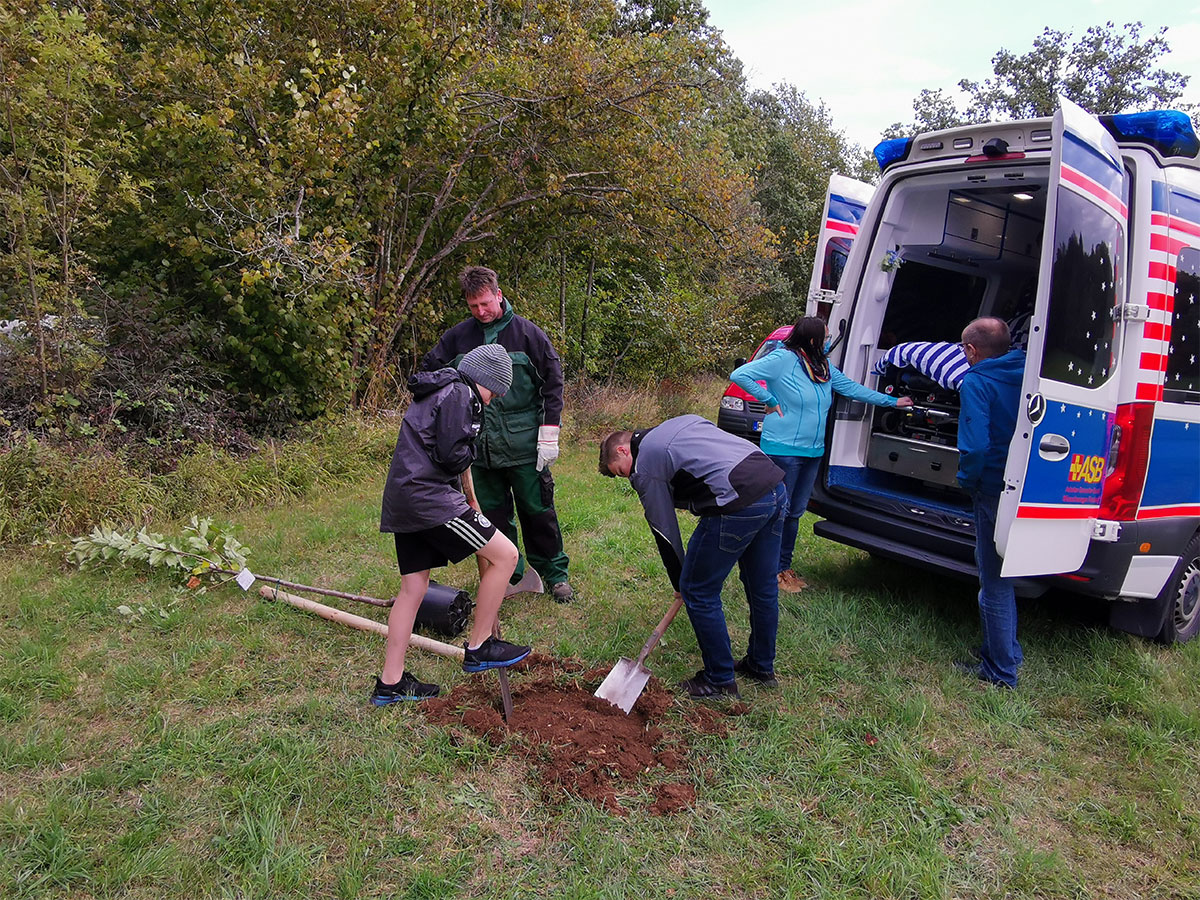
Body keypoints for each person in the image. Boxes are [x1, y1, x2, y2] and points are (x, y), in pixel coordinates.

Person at [372, 344, 531, 705]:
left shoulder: (439, 389)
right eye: (494, 391)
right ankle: (479, 647)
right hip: (429, 501)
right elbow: (452, 454)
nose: (492, 400)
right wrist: (471, 454)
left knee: (413, 589)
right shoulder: (463, 394)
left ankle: (390, 684)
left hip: (404, 497)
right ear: (485, 380)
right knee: (505, 556)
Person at [598, 415, 787, 698]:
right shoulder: (678, 423)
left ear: (624, 451)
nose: (630, 479)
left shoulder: (645, 462)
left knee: (699, 591)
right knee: (762, 587)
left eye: (622, 472)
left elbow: (663, 530)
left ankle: (720, 680)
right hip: (774, 488)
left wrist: (680, 583)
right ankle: (761, 666)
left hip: (738, 501)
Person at [422, 266, 574, 603]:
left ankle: (554, 574)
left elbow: (552, 383)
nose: (481, 311)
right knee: (491, 517)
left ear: (499, 295)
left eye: (486, 304)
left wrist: (549, 433)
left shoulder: (528, 335)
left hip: (523, 445)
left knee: (538, 512)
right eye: (473, 306)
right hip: (477, 450)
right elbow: (427, 374)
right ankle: (509, 576)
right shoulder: (457, 338)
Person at [730, 316, 913, 593]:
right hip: (783, 449)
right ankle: (768, 570)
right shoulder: (783, 358)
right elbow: (740, 375)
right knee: (779, 510)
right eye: (826, 337)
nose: (829, 342)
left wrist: (892, 401)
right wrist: (769, 400)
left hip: (812, 450)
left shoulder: (822, 366)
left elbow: (851, 389)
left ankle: (784, 567)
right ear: (812, 339)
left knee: (795, 512)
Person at [955, 317, 1026, 689]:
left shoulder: (978, 380)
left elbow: (976, 444)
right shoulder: (1029, 368)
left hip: (993, 485)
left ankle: (1000, 672)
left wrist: (967, 479)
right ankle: (1010, 651)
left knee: (993, 580)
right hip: (1027, 483)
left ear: (971, 350)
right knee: (1008, 572)